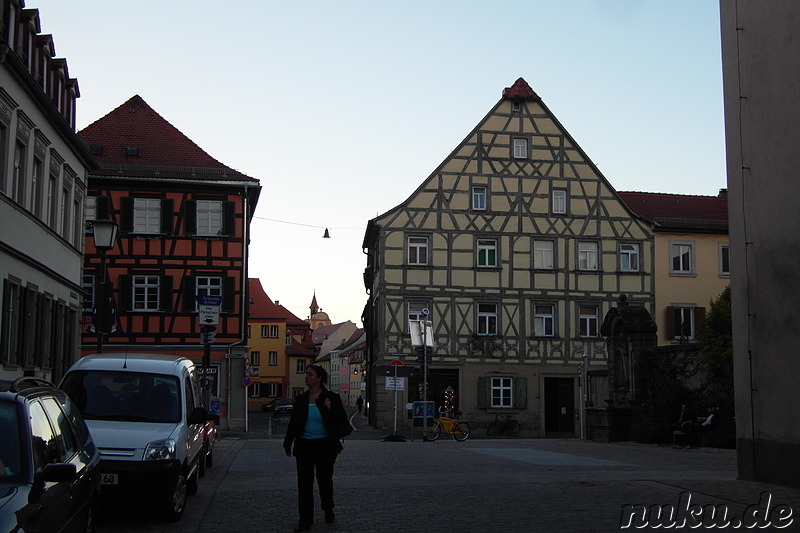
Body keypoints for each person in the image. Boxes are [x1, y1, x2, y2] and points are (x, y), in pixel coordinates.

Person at [284, 364, 350, 532]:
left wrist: (329, 409)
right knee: (304, 484)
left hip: (325, 445)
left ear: (319, 378)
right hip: (304, 445)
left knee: (324, 480)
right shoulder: (301, 399)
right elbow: (294, 424)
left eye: (310, 374)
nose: (306, 377)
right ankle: (305, 520)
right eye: (306, 374)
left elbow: (343, 423)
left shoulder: (331, 398)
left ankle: (328, 508)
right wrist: (287, 442)